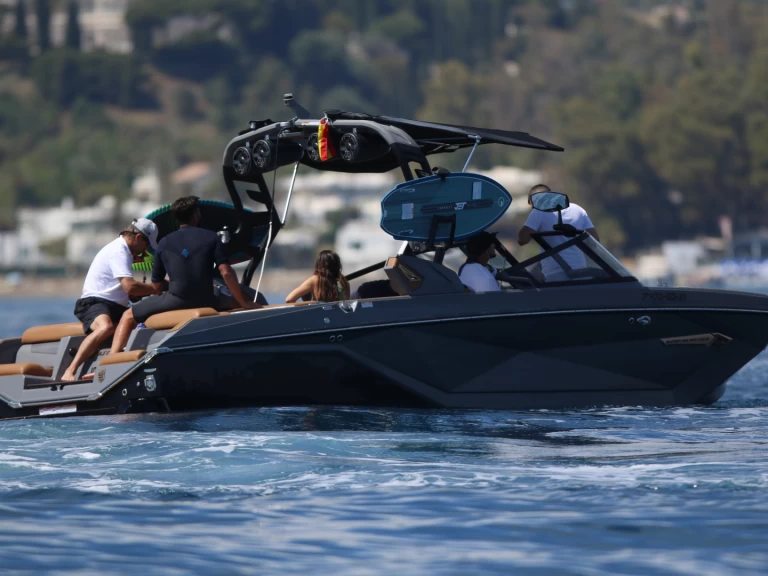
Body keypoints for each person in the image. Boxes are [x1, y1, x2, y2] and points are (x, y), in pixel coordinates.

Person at [109, 196, 256, 355]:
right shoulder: (211, 237)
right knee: (243, 300)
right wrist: (243, 302)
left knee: (128, 315)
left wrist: (172, 286)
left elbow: (157, 286)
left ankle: (112, 358)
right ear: (195, 215)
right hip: (207, 298)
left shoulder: (164, 243)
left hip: (175, 300)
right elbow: (226, 272)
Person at [62, 218, 160, 382]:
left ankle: (111, 363)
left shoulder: (126, 252)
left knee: (141, 320)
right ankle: (70, 371)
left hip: (112, 305)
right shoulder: (119, 251)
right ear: (137, 238)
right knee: (106, 327)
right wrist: (156, 288)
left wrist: (137, 295)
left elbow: (127, 292)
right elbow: (129, 286)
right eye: (146, 245)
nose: (145, 251)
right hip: (92, 303)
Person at [517, 184, 600, 282]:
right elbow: (594, 241)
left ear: (531, 201)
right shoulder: (578, 209)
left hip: (555, 273)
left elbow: (522, 240)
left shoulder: (538, 211)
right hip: (581, 270)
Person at [286, 250, 350, 303]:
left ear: (319, 264)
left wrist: (308, 305)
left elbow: (289, 299)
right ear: (338, 264)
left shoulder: (315, 280)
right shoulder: (344, 282)